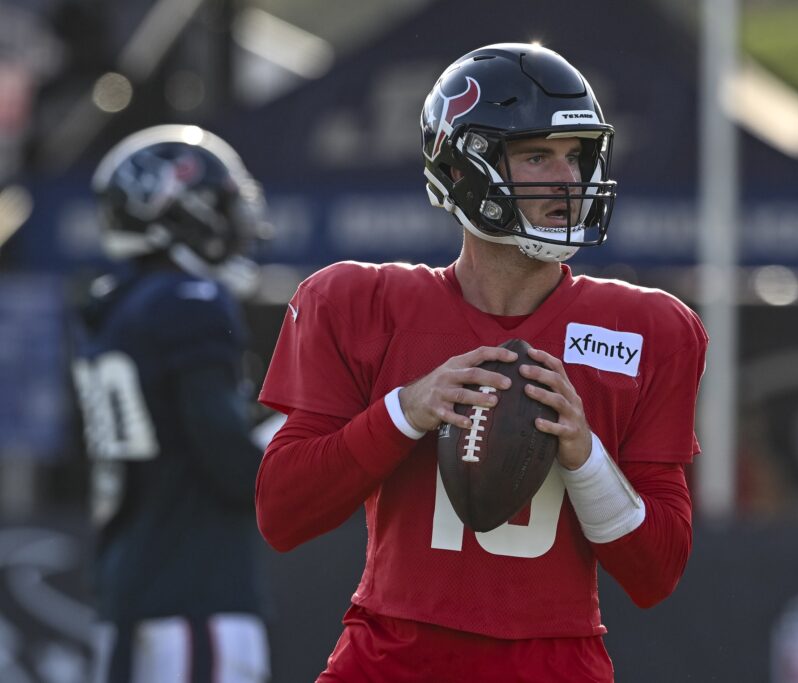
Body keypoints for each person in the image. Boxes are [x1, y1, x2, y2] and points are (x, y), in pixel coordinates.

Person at [255, 42, 707, 682]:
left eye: (576, 157)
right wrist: (405, 411)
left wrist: (584, 456)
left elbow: (657, 573)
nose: (569, 180)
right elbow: (282, 513)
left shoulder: (648, 328)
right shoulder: (359, 302)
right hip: (392, 657)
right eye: (537, 155)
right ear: (466, 167)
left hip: (555, 662)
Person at [71, 124, 273, 683]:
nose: (236, 223)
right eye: (222, 204)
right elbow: (237, 469)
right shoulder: (192, 301)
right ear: (182, 211)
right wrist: (308, 425)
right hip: (193, 593)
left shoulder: (112, 307)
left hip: (126, 589)